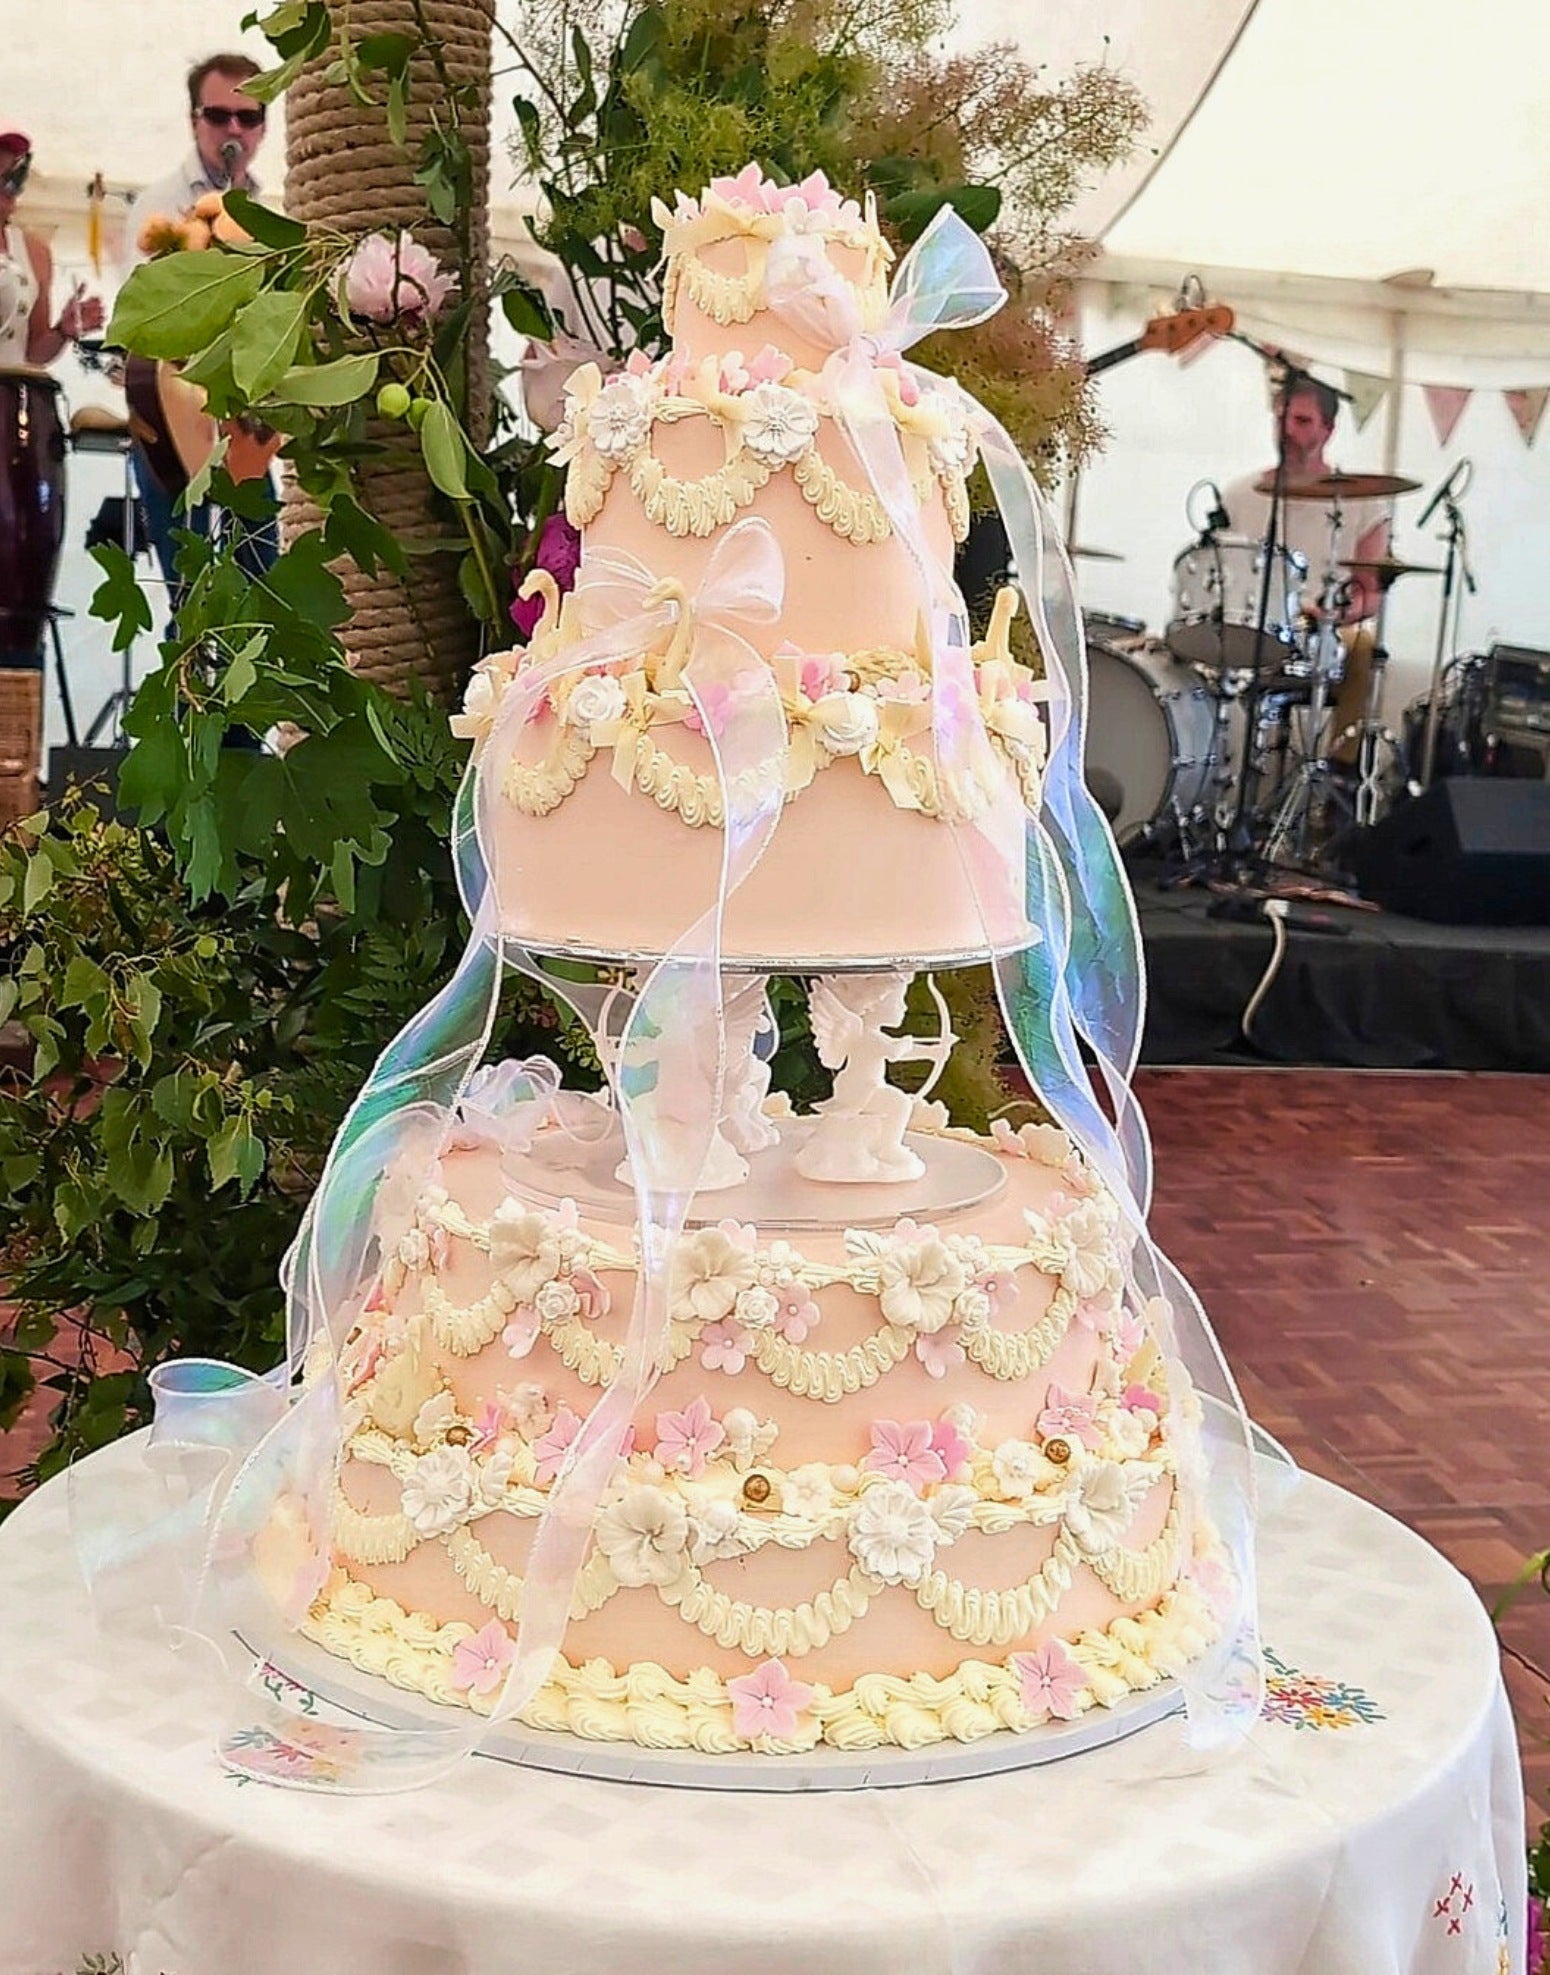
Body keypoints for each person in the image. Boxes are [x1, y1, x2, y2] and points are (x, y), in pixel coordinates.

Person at [125, 54, 276, 592]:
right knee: (188, 594)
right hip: (172, 420)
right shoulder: (159, 206)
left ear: (263, 128)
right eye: (218, 115)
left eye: (248, 117)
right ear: (195, 121)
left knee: (260, 583)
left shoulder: (266, 212)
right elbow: (142, 323)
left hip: (241, 427)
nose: (234, 129)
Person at [1220, 375, 1390, 762]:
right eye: (1281, 418)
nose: (1287, 430)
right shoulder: (1238, 495)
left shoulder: (1365, 502)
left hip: (1322, 629)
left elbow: (1369, 592)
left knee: (1363, 648)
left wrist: (1332, 615)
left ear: (1328, 429)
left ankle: (1341, 772)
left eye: (1301, 421)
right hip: (1250, 623)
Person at [0, 130, 104, 686]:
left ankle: (19, 678)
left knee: (20, 549)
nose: (10, 193)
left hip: (18, 404)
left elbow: (34, 348)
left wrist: (65, 328)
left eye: (16, 179)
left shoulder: (33, 249)